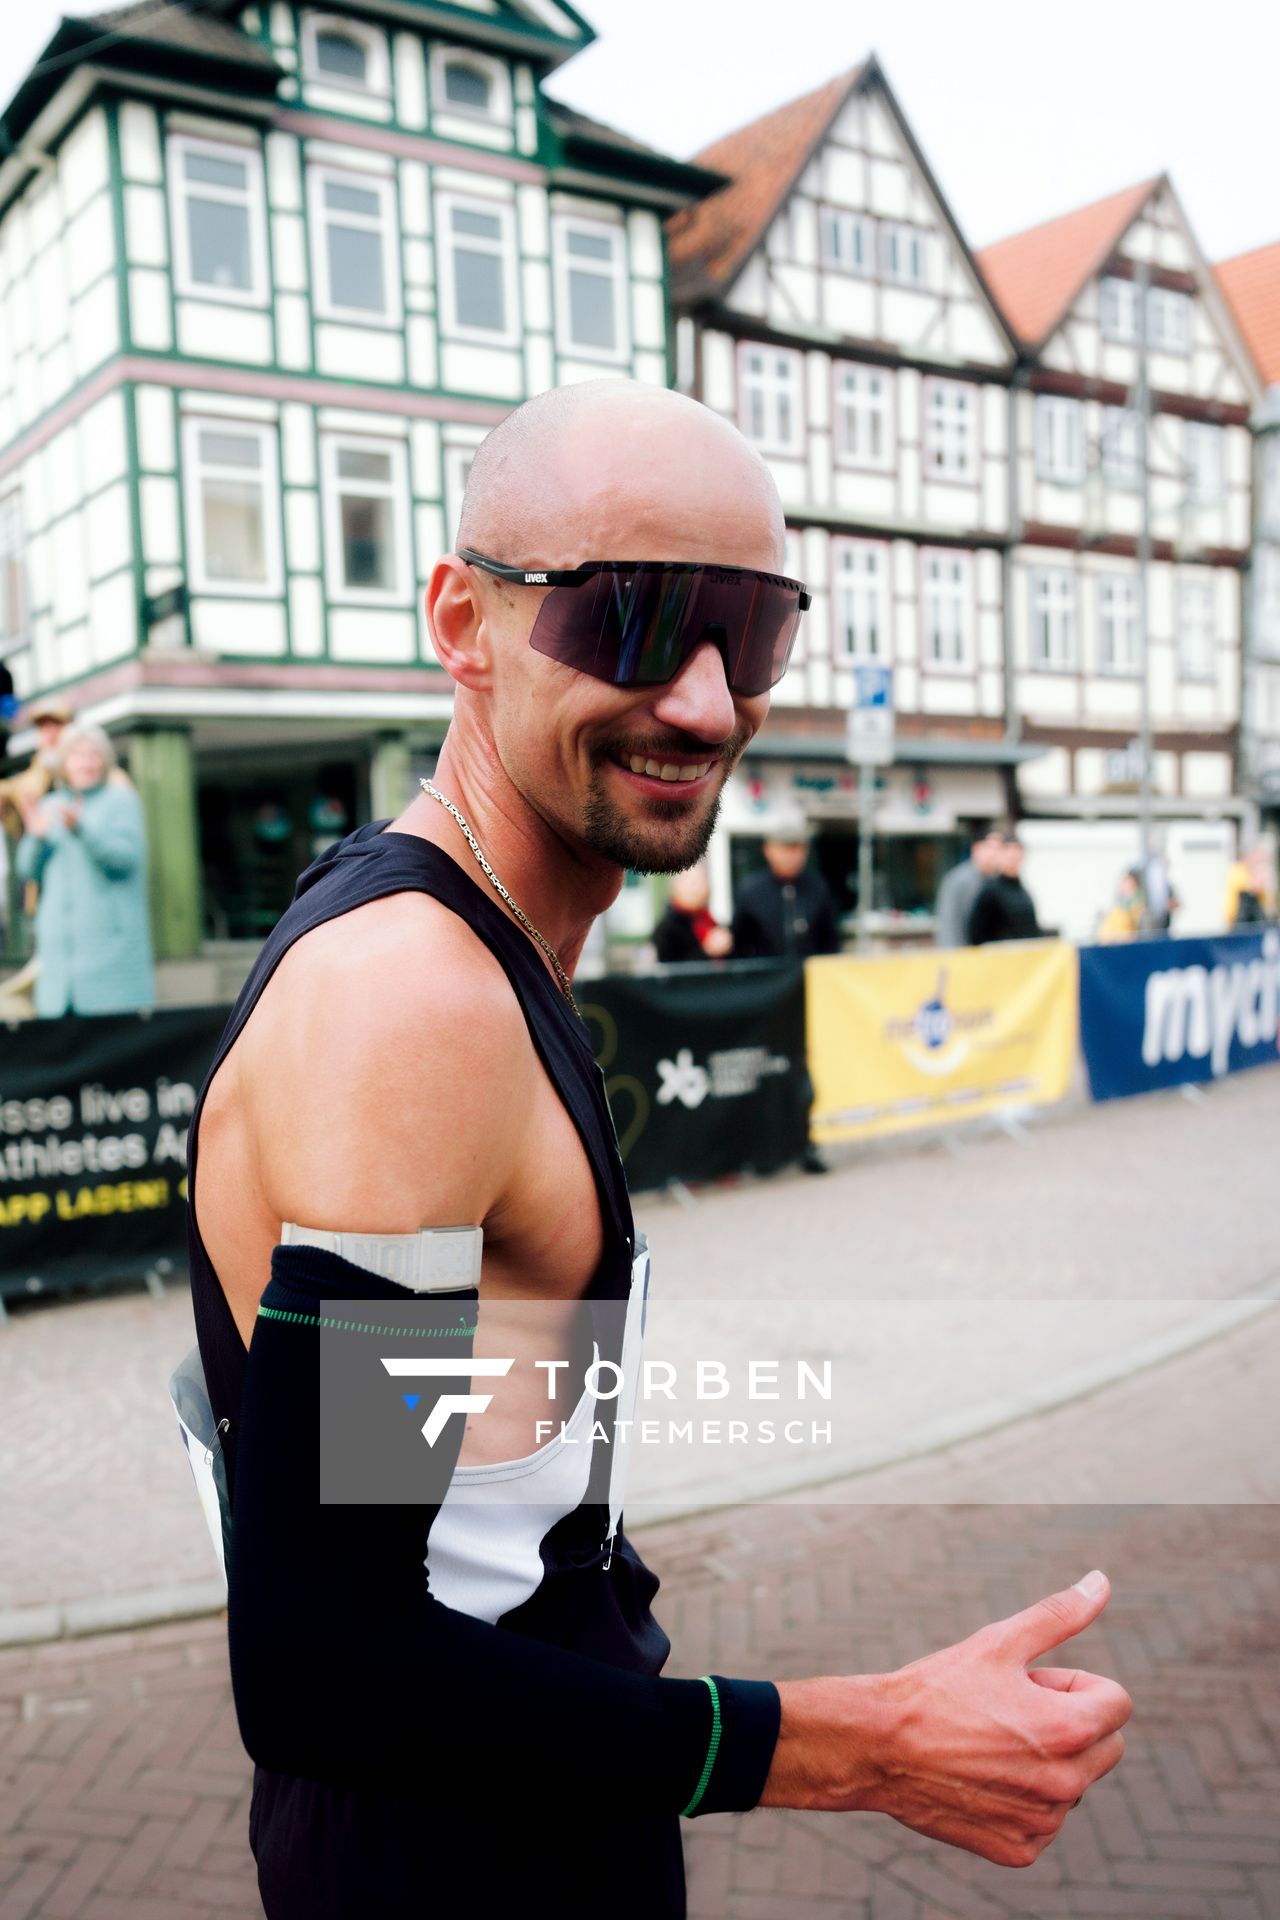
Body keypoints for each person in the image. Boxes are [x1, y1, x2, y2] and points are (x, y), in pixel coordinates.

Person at [183, 381, 1129, 1919]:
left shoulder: (470, 951)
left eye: (748, 633)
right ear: (462, 621)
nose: (704, 702)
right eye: (630, 619)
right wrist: (860, 1743)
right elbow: (326, 1665)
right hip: (452, 1869)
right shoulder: (420, 1003)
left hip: (523, 1813)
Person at [14, 722, 154, 1017]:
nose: (86, 763)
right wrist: (37, 838)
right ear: (64, 763)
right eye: (77, 755)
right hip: (58, 969)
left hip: (110, 966)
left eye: (93, 755)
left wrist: (82, 831)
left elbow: (126, 860)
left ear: (105, 761)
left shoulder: (122, 801)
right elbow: (27, 871)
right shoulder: (51, 805)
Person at [729, 818, 841, 961]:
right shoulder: (751, 891)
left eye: (797, 849)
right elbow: (737, 942)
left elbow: (830, 942)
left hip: (808, 976)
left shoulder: (818, 888)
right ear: (768, 850)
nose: (791, 857)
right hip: (766, 978)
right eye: (785, 849)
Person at [967, 830, 1043, 945]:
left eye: (1017, 850)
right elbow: (976, 934)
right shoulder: (990, 891)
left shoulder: (1023, 891)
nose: (1012, 856)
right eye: (1008, 850)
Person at [934, 824, 1002, 948]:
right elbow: (948, 923)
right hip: (962, 956)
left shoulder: (995, 880)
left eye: (999, 849)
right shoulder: (960, 879)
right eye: (991, 848)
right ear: (976, 849)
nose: (995, 854)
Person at [652, 860, 732, 962]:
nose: (695, 888)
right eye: (688, 881)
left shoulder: (710, 922)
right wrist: (708, 951)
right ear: (674, 887)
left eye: (700, 881)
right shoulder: (667, 929)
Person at [1224, 841, 1274, 927]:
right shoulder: (1238, 869)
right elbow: (1247, 889)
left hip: (1253, 922)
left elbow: (1266, 902)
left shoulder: (1252, 872)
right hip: (1239, 921)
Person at [1097, 867, 1147, 943]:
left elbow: (1136, 933)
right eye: (1124, 883)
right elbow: (1104, 932)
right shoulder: (1116, 907)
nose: (1125, 887)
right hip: (1111, 942)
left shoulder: (1137, 907)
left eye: (1130, 885)